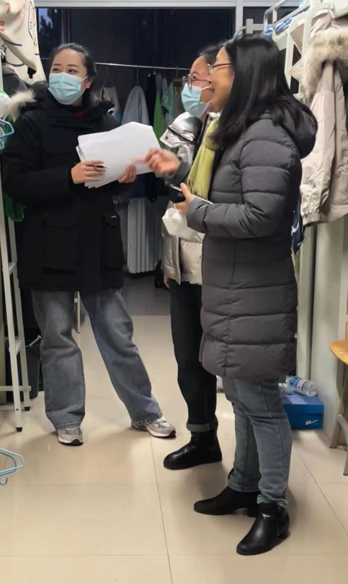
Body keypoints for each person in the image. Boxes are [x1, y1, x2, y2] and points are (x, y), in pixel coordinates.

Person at [175, 35, 317, 555]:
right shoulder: (242, 130)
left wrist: (198, 211)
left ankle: (272, 507)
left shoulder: (266, 136)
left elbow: (262, 216)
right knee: (238, 395)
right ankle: (243, 485)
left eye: (219, 67)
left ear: (247, 74)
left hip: (256, 292)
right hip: (234, 289)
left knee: (261, 403)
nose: (209, 77)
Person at [2, 43, 175, 446]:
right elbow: (15, 183)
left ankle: (145, 411)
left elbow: (113, 183)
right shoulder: (30, 123)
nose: (62, 76)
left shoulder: (107, 122)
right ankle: (66, 418)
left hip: (98, 241)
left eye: (72, 70)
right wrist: (69, 176)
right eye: (56, 68)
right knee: (58, 337)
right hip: (48, 245)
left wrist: (124, 178)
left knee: (118, 334)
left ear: (88, 80)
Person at [143, 45, 223, 471]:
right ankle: (202, 436)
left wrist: (179, 169)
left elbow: (209, 189)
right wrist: (165, 165)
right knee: (188, 357)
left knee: (227, 361)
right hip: (181, 259)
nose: (189, 87)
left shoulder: (235, 129)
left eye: (196, 78)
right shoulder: (183, 123)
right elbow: (177, 187)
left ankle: (253, 468)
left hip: (220, 263)